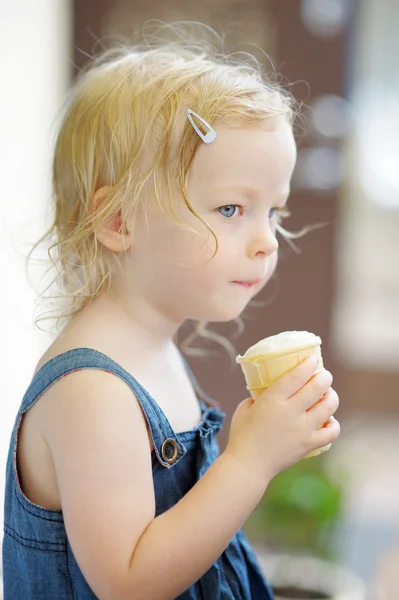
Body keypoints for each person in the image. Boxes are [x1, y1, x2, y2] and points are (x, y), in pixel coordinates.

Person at [2, 24, 340, 600]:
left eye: (274, 212)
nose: (266, 241)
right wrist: (250, 460)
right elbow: (130, 582)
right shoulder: (92, 389)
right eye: (231, 208)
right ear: (118, 223)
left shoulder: (152, 347)